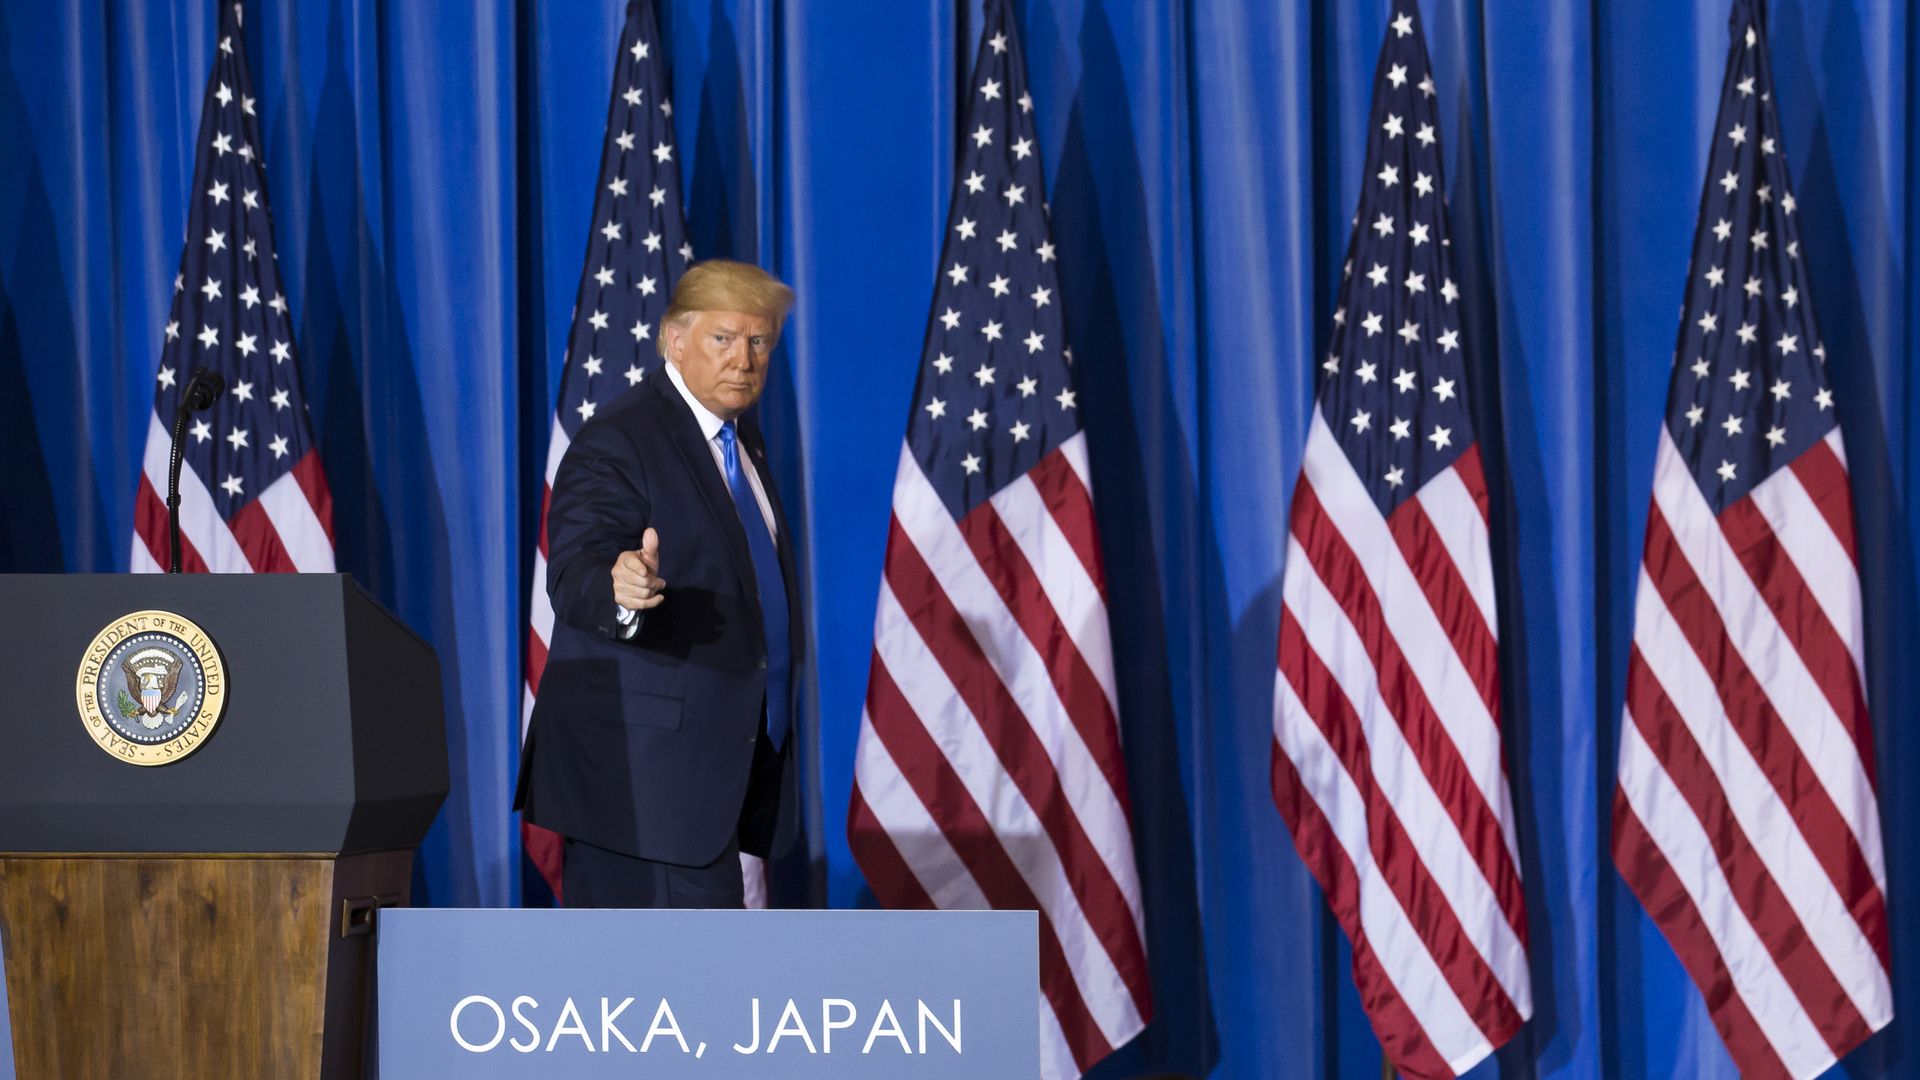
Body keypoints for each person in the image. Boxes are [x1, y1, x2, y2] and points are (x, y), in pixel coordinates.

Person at [515, 259, 801, 908]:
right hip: (641, 792)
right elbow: (576, 570)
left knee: (700, 991)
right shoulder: (621, 438)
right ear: (674, 339)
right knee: (656, 995)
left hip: (708, 780)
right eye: (723, 339)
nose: (744, 360)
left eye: (759, 342)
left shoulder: (739, 440)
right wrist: (620, 589)